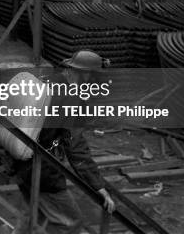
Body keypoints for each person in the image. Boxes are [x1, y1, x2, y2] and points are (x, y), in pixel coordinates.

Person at [13, 50, 115, 234]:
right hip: (43, 170)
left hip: (19, 159)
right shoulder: (72, 99)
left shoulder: (47, 80)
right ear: (86, 75)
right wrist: (97, 185)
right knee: (70, 223)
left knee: (32, 218)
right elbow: (76, 147)